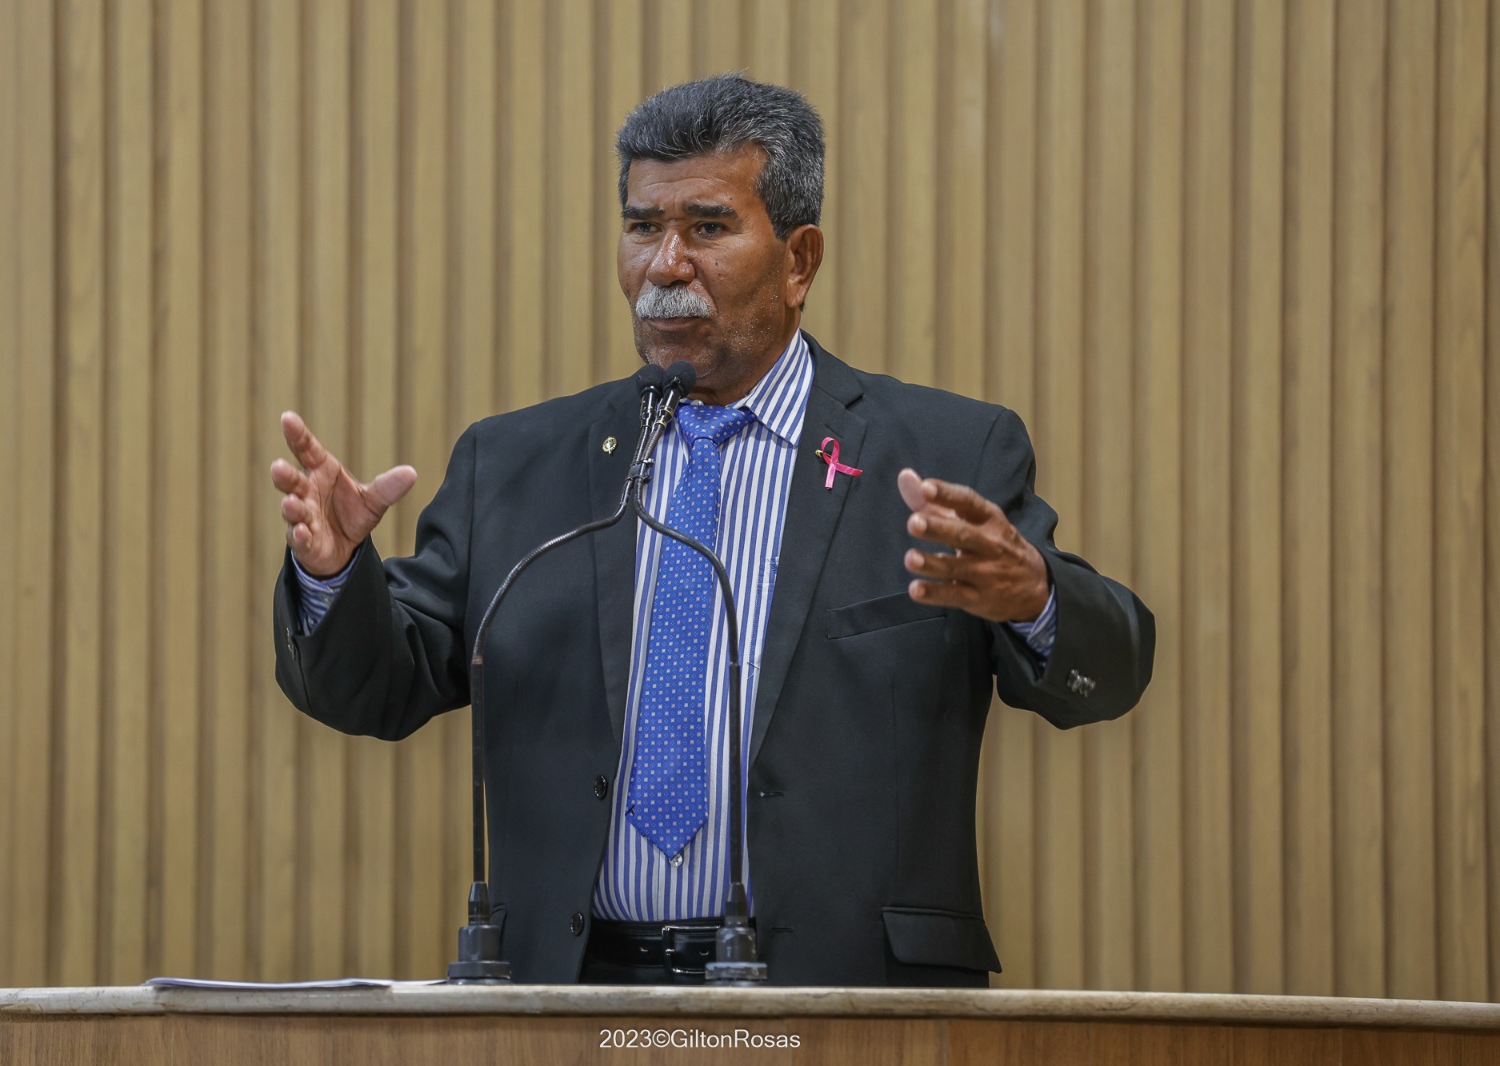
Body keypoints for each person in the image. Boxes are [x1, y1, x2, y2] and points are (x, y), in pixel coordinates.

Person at [270, 74, 1153, 987]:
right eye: (643, 226)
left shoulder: (942, 454)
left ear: (800, 260)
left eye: (708, 227)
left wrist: (1036, 600)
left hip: (846, 1004)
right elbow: (379, 685)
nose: (665, 264)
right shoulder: (517, 463)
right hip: (566, 1001)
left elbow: (1109, 677)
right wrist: (336, 576)